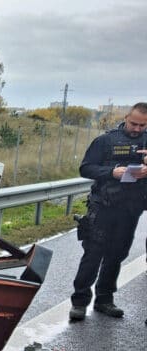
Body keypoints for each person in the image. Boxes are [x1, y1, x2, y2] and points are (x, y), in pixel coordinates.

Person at [69, 103, 147, 321]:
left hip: (131, 209)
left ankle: (104, 299)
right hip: (103, 206)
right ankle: (79, 302)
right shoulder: (105, 141)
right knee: (93, 254)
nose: (137, 129)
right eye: (134, 123)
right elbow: (86, 168)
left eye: (143, 125)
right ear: (126, 118)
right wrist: (112, 172)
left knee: (117, 255)